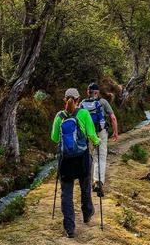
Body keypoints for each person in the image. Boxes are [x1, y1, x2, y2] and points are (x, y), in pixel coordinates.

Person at [51, 88, 101, 238]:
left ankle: (69, 228)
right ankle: (87, 214)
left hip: (65, 161)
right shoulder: (84, 113)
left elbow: (54, 138)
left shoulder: (59, 116)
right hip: (82, 158)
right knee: (85, 188)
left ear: (64, 99)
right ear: (79, 99)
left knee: (66, 194)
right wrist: (97, 141)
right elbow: (92, 135)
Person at [80, 83, 118, 197]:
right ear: (97, 92)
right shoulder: (103, 102)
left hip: (88, 134)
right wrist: (115, 132)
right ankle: (98, 182)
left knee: (89, 157)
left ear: (88, 92)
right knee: (100, 156)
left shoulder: (82, 103)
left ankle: (88, 182)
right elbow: (113, 117)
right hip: (101, 132)